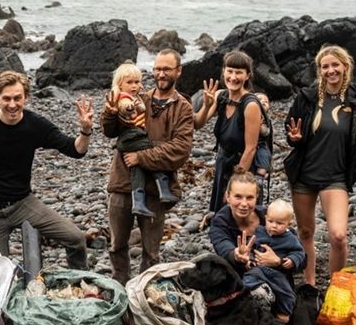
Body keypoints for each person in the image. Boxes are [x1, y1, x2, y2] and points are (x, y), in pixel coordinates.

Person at [0, 70, 94, 269]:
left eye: (18, 98)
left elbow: (76, 149)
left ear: (26, 98)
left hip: (23, 203)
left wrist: (85, 129)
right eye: (7, 98)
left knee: (76, 238)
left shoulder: (35, 125)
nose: (12, 104)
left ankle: (80, 281)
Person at [284, 44, 356, 285]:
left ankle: (337, 286)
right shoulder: (306, 98)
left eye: (335, 65)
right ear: (319, 70)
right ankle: (310, 285)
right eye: (325, 66)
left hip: (335, 177)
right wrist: (294, 138)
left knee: (338, 236)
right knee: (305, 233)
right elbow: (292, 132)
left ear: (345, 67)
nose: (330, 70)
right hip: (304, 175)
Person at [101, 49, 194, 284]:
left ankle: (145, 292)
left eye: (166, 69)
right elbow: (110, 131)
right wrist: (110, 111)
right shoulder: (136, 96)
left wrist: (141, 157)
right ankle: (120, 288)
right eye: (157, 68)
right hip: (122, 183)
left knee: (151, 251)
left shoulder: (183, 108)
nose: (160, 74)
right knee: (117, 245)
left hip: (155, 191)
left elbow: (180, 150)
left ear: (178, 71)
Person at [194, 50, 263, 212]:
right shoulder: (220, 96)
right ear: (223, 72)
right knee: (220, 217)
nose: (233, 77)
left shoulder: (251, 105)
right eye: (229, 71)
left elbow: (251, 148)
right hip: (223, 163)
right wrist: (206, 104)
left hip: (242, 166)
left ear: (247, 75)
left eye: (239, 72)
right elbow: (198, 123)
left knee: (238, 214)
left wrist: (235, 184)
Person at [110, 62, 178, 218]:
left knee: (137, 169)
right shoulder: (122, 97)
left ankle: (138, 203)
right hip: (131, 136)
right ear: (120, 84)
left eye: (137, 82)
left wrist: (139, 104)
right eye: (130, 82)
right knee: (153, 149)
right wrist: (129, 108)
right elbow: (125, 107)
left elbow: (141, 109)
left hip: (131, 139)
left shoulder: (136, 97)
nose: (134, 86)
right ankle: (163, 189)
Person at [209, 169, 287, 280]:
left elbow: (301, 257)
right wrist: (237, 255)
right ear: (227, 196)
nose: (244, 204)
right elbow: (224, 248)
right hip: (241, 280)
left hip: (277, 279)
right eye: (238, 197)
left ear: (257, 198)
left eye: (250, 198)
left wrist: (279, 261)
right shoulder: (219, 222)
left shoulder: (270, 216)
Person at [243, 198, 305, 323]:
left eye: (280, 223)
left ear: (289, 223)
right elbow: (251, 248)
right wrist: (249, 259)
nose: (274, 226)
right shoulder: (259, 232)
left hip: (277, 272)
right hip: (259, 268)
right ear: (265, 218)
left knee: (285, 291)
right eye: (270, 221)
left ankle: (284, 312)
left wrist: (292, 260)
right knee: (249, 278)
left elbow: (299, 252)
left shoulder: (290, 238)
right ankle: (246, 295)